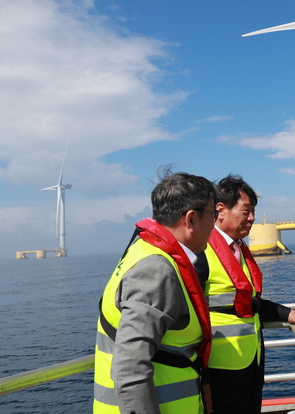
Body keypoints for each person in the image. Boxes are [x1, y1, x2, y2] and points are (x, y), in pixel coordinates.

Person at [94, 170, 217, 414]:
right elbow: (130, 367)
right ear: (191, 219)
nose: (215, 224)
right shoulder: (156, 270)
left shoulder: (142, 249)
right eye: (213, 215)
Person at [199, 174, 295, 414]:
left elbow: (245, 301)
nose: (252, 218)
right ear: (221, 210)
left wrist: (284, 313)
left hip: (251, 360)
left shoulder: (238, 249)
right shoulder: (201, 251)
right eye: (246, 211)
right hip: (218, 366)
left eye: (254, 211)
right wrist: (202, 377)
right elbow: (191, 312)